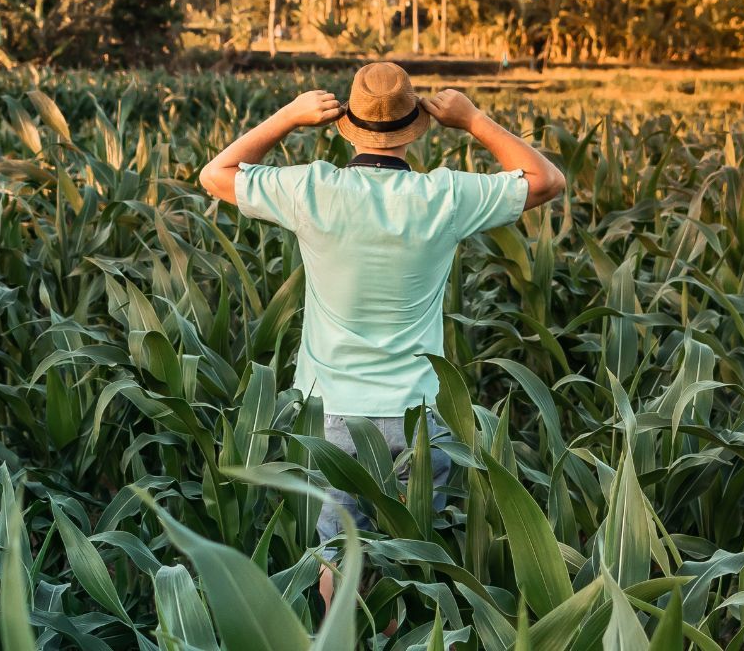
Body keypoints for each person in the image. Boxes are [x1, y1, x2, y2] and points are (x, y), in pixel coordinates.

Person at [198, 62, 566, 607]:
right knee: (409, 562)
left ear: (346, 120)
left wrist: (290, 117)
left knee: (336, 559)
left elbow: (214, 174)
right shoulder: (444, 196)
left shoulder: (312, 188)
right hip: (420, 414)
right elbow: (548, 181)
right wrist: (473, 120)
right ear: (415, 124)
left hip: (333, 413)